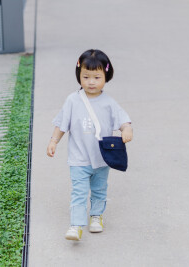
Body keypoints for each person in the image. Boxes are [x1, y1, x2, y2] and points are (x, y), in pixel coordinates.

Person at [46, 49, 133, 241]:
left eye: (96, 77)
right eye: (86, 76)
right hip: (79, 158)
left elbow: (123, 120)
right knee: (79, 191)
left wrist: (126, 130)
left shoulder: (109, 103)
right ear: (79, 75)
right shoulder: (72, 100)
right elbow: (62, 124)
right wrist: (54, 141)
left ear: (106, 76)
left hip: (102, 158)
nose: (91, 82)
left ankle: (96, 216)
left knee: (100, 189)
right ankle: (76, 225)